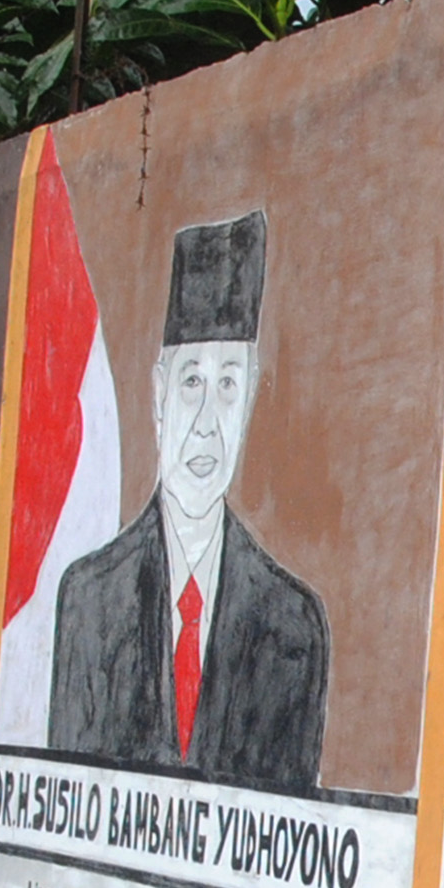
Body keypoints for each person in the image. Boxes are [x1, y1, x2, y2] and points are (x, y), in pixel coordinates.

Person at [45, 210, 331, 787]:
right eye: (191, 381)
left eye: (227, 383)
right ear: (158, 393)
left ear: (250, 396)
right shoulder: (91, 598)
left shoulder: (293, 625)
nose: (206, 423)